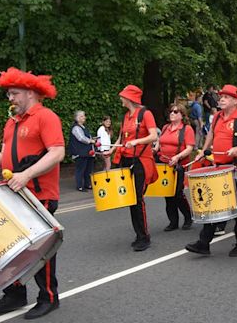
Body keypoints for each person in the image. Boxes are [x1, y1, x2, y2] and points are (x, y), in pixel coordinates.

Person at [0, 67, 65, 319]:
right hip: (13, 193)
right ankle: (15, 294)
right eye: (9, 94)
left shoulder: (46, 117)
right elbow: (6, 157)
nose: (11, 99)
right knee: (11, 245)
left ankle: (49, 296)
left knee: (40, 247)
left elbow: (57, 152)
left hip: (39, 193)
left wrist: (26, 175)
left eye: (14, 93)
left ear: (30, 92)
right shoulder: (12, 121)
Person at [185, 84, 237, 257]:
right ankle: (204, 243)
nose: (221, 99)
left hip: (236, 167)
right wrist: (202, 152)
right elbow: (211, 135)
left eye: (226, 97)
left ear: (235, 101)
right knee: (213, 204)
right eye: (221, 96)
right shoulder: (218, 117)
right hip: (218, 166)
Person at [106, 85, 158, 251]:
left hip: (141, 161)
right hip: (127, 161)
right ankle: (139, 234)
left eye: (122, 96)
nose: (120, 99)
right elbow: (122, 137)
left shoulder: (145, 114)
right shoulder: (126, 116)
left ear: (129, 98)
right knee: (131, 200)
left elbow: (153, 135)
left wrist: (136, 142)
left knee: (138, 199)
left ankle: (144, 236)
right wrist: (111, 150)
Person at [155, 103, 194, 231]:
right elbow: (159, 144)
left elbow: (189, 148)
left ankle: (188, 217)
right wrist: (154, 150)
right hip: (164, 164)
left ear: (182, 115)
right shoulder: (166, 127)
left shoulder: (186, 129)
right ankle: (173, 221)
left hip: (178, 165)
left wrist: (177, 157)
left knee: (177, 193)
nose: (172, 113)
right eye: (171, 111)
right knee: (167, 193)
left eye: (176, 112)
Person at [69, 110, 96, 191]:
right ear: (77, 118)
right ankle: (80, 186)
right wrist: (91, 141)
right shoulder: (76, 127)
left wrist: (93, 139)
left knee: (88, 169)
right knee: (80, 169)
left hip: (87, 152)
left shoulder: (84, 127)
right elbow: (81, 138)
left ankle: (87, 184)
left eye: (84, 116)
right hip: (80, 153)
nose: (84, 117)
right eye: (81, 116)